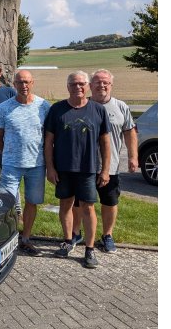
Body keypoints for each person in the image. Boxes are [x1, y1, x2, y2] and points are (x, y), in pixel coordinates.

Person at [44, 71, 111, 269]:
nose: (78, 87)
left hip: (87, 169)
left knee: (88, 207)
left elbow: (105, 143)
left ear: (88, 86)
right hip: (63, 169)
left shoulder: (98, 110)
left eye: (82, 84)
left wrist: (105, 170)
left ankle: (89, 249)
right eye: (73, 84)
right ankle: (68, 241)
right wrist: (50, 168)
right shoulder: (57, 109)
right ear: (68, 87)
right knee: (65, 205)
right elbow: (48, 142)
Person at [69, 69, 139, 253]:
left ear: (111, 85)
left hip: (111, 166)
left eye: (105, 82)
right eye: (97, 82)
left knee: (109, 202)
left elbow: (130, 132)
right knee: (79, 202)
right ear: (90, 85)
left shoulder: (121, 107)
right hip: (84, 166)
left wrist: (133, 157)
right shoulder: (82, 105)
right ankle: (76, 232)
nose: (101, 85)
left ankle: (107, 235)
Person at [0, 70, 51, 256]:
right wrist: (9, 153)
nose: (23, 86)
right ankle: (8, 237)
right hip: (11, 165)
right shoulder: (4, 108)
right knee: (7, 203)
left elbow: (49, 136)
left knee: (32, 202)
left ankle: (25, 238)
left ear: (32, 83)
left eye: (27, 82)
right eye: (20, 82)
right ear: (14, 84)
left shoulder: (44, 106)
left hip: (37, 165)